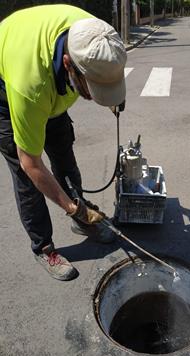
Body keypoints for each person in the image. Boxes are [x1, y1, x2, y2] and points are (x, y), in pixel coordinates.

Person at [0, 4, 127, 281]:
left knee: (65, 157)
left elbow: (104, 68)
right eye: (92, 90)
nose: (94, 97)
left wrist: (113, 93)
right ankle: (43, 247)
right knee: (27, 178)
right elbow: (31, 163)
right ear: (69, 65)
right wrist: (73, 206)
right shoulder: (29, 88)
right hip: (7, 91)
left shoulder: (97, 35)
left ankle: (81, 223)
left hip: (51, 83)